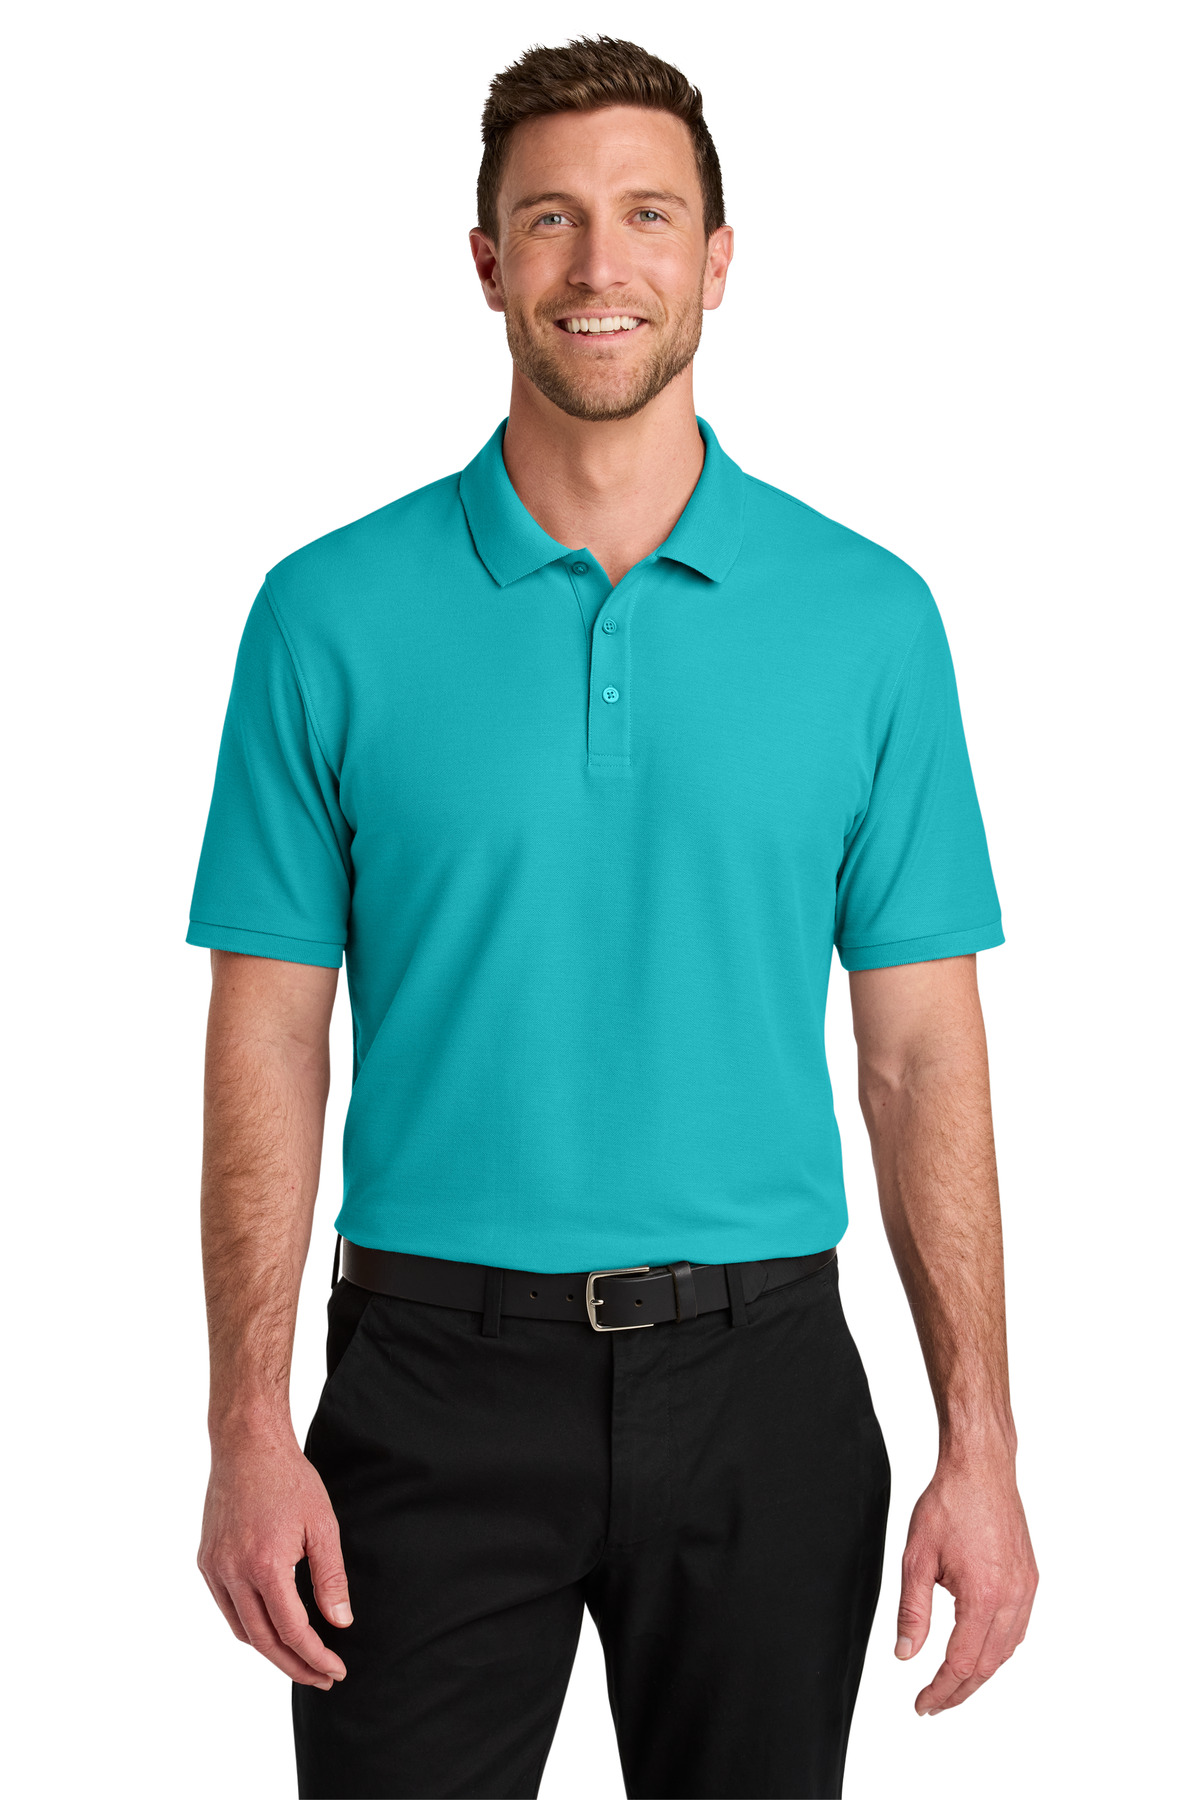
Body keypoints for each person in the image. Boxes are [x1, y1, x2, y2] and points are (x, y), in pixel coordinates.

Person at [189, 34, 1037, 1800]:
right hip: (424, 1385)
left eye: (649, 214)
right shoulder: (322, 614)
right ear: (486, 260)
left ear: (718, 261)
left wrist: (985, 1443)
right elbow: (270, 1032)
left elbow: (916, 1059)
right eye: (550, 218)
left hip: (767, 1385)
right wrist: (246, 1426)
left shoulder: (872, 620)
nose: (600, 264)